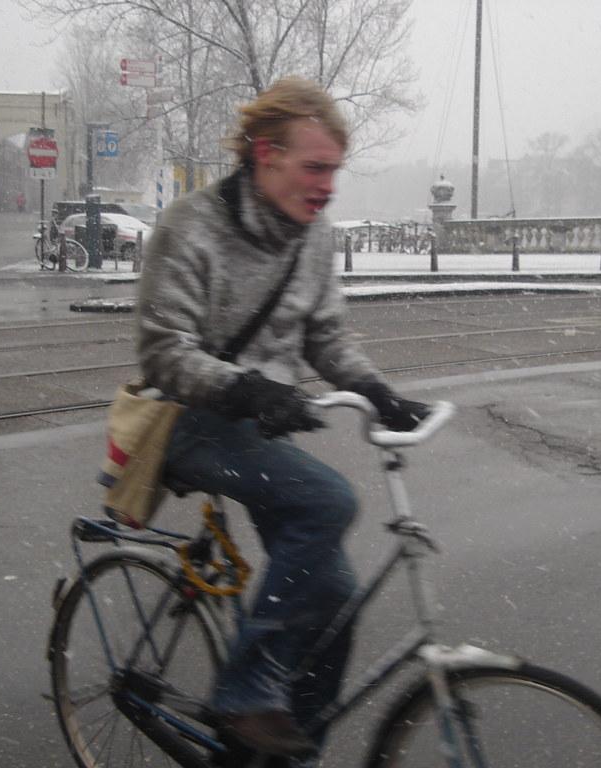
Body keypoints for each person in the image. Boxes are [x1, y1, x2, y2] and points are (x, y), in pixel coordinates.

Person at [137, 76, 430, 764]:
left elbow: (325, 336)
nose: (327, 186)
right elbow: (162, 353)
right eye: (315, 167)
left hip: (258, 425)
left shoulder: (313, 236)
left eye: (334, 171)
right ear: (265, 154)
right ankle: (244, 695)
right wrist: (244, 389)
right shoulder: (191, 226)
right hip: (189, 417)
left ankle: (282, 757)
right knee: (328, 501)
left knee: (334, 596)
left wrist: (374, 388)